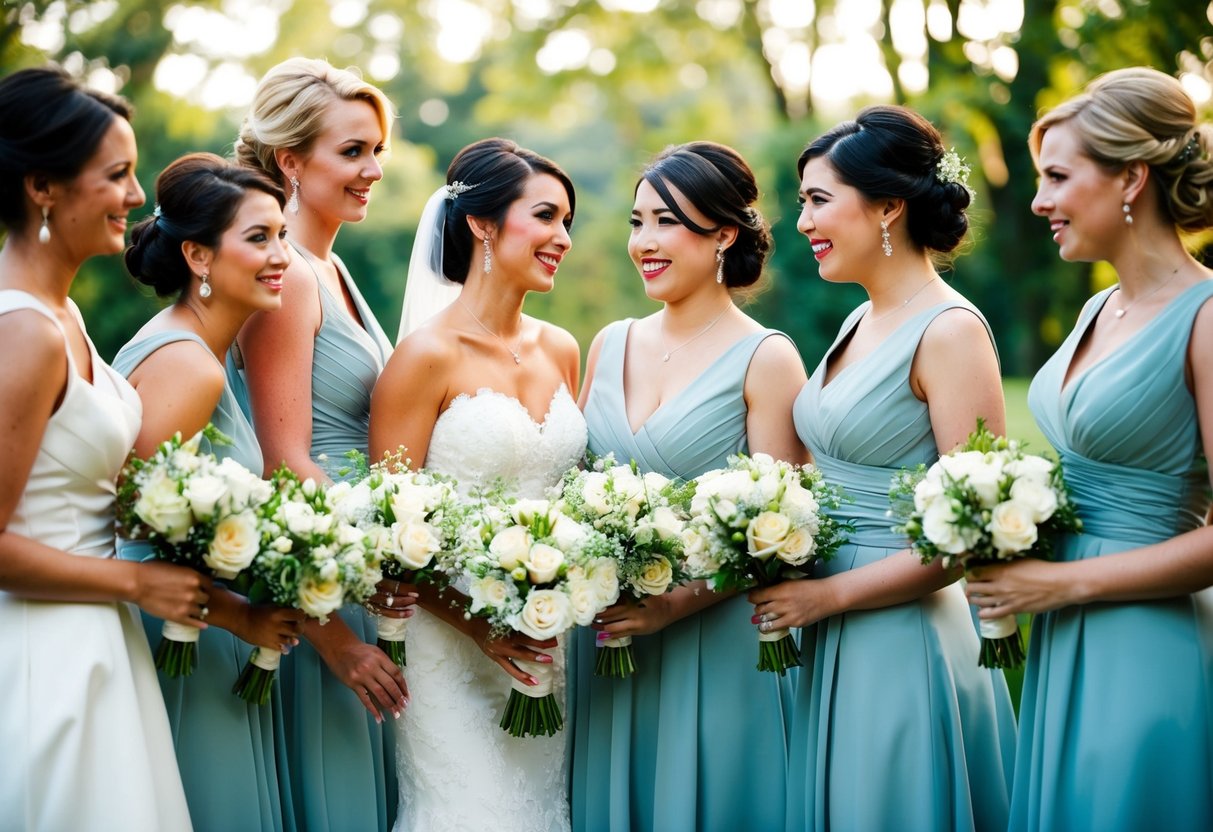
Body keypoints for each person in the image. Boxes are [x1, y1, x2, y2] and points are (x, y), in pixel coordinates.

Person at [749, 106, 1016, 831]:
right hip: (833, 625)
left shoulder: (950, 332)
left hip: (901, 636)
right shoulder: (858, 320)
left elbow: (970, 535)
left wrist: (824, 600)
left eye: (817, 200)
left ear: (889, 205)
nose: (800, 223)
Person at [965, 67, 1213, 830]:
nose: (1037, 200)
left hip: (1145, 641)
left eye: (1057, 177)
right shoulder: (1100, 306)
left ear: (1131, 179)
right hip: (1064, 636)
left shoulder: (1204, 319)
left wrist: (1057, 587)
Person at [569, 141, 808, 832]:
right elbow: (575, 486)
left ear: (723, 235)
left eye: (665, 222)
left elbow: (782, 532)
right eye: (636, 221)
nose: (643, 241)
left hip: (713, 641)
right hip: (610, 641)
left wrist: (674, 605)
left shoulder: (765, 357)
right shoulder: (609, 343)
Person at [0, 65, 199, 830]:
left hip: (98, 641)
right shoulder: (22, 334)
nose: (137, 195)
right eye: (116, 174)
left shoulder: (65, 318)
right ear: (43, 185)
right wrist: (137, 585)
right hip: (39, 654)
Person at [369, 137, 584, 832]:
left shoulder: (561, 349)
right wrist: (481, 626)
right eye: (545, 216)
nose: (562, 238)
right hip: (452, 647)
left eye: (566, 222)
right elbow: (385, 532)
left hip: (550, 640)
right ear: (482, 224)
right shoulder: (423, 358)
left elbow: (569, 496)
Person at [233, 57, 408, 831]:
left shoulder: (331, 268)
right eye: (352, 151)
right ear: (289, 161)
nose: (373, 169)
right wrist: (332, 632)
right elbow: (283, 462)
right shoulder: (289, 275)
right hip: (311, 575)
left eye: (376, 149)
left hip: (350, 558)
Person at [114, 152, 304, 831]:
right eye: (259, 238)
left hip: (195, 628)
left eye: (282, 234)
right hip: (178, 640)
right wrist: (238, 616)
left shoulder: (196, 351)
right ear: (197, 255)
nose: (281, 255)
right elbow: (131, 535)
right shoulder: (188, 367)